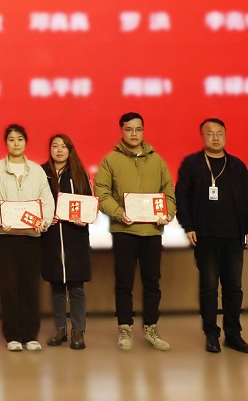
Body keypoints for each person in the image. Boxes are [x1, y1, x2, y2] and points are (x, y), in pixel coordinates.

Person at [94, 112, 176, 351]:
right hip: (124, 230)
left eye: (138, 129)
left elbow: (169, 193)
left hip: (152, 231)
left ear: (143, 131)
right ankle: (125, 328)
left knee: (152, 283)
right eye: (129, 129)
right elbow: (102, 193)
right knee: (124, 283)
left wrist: (167, 214)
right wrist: (119, 213)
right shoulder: (111, 160)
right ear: (121, 131)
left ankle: (151, 328)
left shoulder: (157, 161)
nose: (134, 134)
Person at [176, 118, 248, 354]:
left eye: (219, 133)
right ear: (202, 136)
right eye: (210, 133)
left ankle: (233, 335)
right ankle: (211, 334)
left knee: (233, 288)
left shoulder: (237, 165)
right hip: (205, 235)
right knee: (209, 287)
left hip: (234, 236)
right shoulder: (192, 164)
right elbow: (182, 197)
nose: (215, 138)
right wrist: (188, 226)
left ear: (225, 136)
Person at [0, 124, 54, 352]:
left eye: (20, 139)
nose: (16, 143)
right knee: (9, 287)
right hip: (6, 237)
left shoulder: (37, 171)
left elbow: (47, 200)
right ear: (6, 142)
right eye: (11, 139)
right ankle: (13, 335)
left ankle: (30, 335)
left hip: (32, 237)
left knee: (30, 286)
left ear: (26, 142)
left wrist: (44, 221)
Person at [40, 134, 93, 350]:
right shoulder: (41, 173)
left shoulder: (79, 172)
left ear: (70, 150)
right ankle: (60, 329)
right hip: (51, 237)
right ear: (50, 149)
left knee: (77, 287)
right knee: (57, 287)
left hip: (75, 237)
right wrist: (44, 217)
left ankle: (78, 331)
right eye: (55, 146)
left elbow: (88, 203)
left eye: (64, 146)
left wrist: (84, 218)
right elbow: (36, 203)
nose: (59, 150)